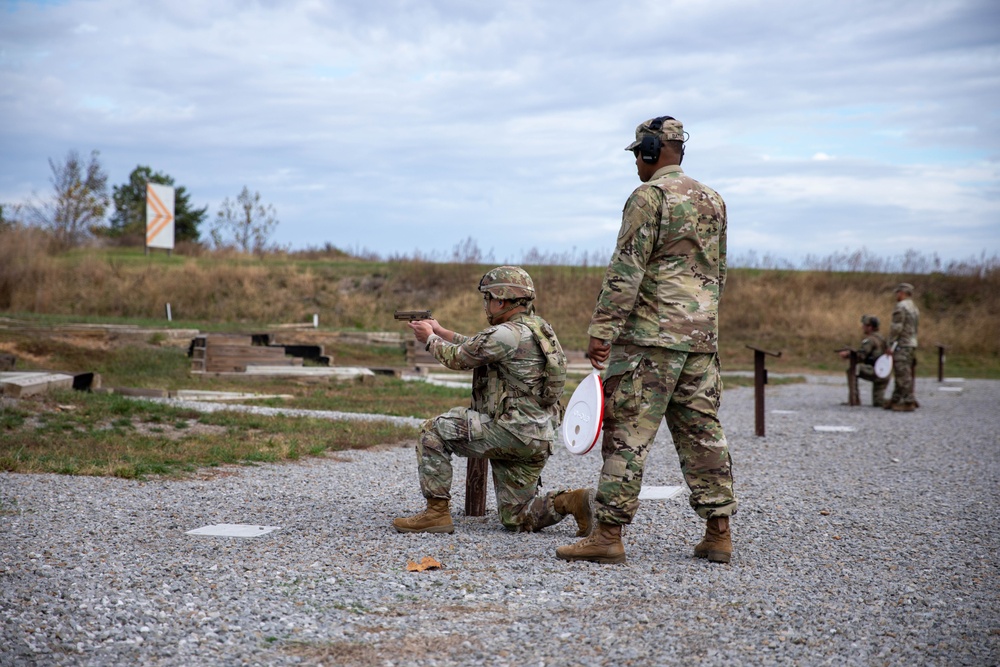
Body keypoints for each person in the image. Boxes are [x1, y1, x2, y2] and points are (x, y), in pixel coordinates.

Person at [556, 116, 737, 565]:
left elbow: (626, 270)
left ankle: (609, 535)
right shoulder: (713, 199)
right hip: (700, 342)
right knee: (703, 436)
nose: (637, 162)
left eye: (639, 152)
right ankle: (719, 534)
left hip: (649, 342)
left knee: (627, 437)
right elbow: (718, 273)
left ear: (652, 151)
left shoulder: (648, 196)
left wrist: (603, 330)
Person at [394, 266, 594, 536]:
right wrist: (441, 331)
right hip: (537, 435)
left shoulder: (506, 334)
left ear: (501, 300)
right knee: (517, 516)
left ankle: (436, 514)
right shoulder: (539, 329)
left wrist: (429, 340)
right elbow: (477, 347)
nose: (486, 305)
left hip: (509, 432)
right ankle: (572, 501)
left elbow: (459, 358)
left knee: (434, 430)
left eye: (488, 299)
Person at [839, 314, 889, 407]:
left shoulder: (870, 340)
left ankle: (854, 399)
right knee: (878, 402)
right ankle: (893, 402)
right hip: (884, 373)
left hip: (875, 371)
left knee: (853, 369)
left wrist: (848, 355)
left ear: (870, 327)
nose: (862, 327)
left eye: (864, 325)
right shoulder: (882, 338)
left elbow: (861, 356)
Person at [886, 282, 920, 411]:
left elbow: (896, 327)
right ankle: (895, 398)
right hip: (911, 343)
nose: (896, 295)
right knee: (903, 372)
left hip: (902, 344)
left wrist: (890, 344)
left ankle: (908, 401)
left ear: (902, 293)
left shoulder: (901, 307)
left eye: (898, 292)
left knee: (902, 374)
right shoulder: (914, 307)